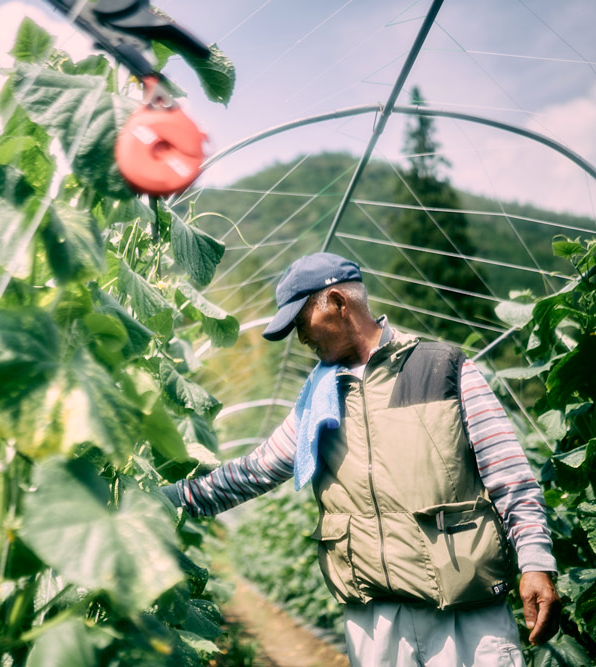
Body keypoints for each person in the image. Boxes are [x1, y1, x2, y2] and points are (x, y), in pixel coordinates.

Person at [163, 252, 561, 666]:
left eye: (302, 323)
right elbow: (256, 471)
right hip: (376, 620)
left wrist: (535, 562)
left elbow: (509, 475)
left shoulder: (444, 368)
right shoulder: (320, 396)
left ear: (337, 302)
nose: (302, 340)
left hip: (466, 612)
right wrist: (169, 499)